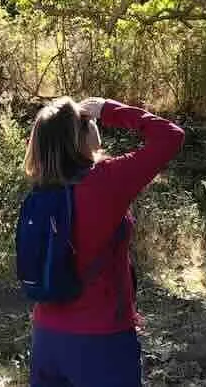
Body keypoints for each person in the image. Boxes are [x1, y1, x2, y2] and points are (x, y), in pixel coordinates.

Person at [25, 96, 185, 387]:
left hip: (46, 336)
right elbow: (170, 136)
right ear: (78, 138)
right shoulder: (107, 181)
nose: (94, 121)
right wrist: (109, 109)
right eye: (87, 121)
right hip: (101, 339)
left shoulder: (40, 190)